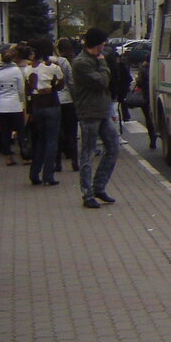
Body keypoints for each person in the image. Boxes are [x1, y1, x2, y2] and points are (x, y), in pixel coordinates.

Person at [72, 27, 119, 209]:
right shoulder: (81, 63)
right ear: (95, 44)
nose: (104, 47)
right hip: (89, 112)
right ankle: (87, 193)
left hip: (103, 109)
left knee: (113, 147)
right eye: (102, 44)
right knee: (88, 153)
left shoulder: (96, 59)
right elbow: (101, 81)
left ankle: (99, 186)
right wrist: (102, 64)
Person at [25, 37, 64, 187]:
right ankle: (48, 175)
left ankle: (34, 173)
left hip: (37, 105)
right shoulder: (53, 66)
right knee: (51, 140)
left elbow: (27, 89)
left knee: (40, 139)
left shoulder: (29, 68)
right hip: (51, 103)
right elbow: (61, 84)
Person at [0, 46, 27, 165]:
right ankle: (25, 155)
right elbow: (21, 88)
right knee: (20, 131)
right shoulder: (16, 70)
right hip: (15, 104)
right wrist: (22, 101)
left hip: (1, 106)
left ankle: (8, 157)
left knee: (5, 132)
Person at [54, 37, 79, 171]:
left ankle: (57, 162)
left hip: (54, 101)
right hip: (68, 100)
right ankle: (74, 161)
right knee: (72, 132)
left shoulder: (52, 61)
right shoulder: (69, 62)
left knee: (57, 132)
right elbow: (71, 82)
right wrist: (76, 99)